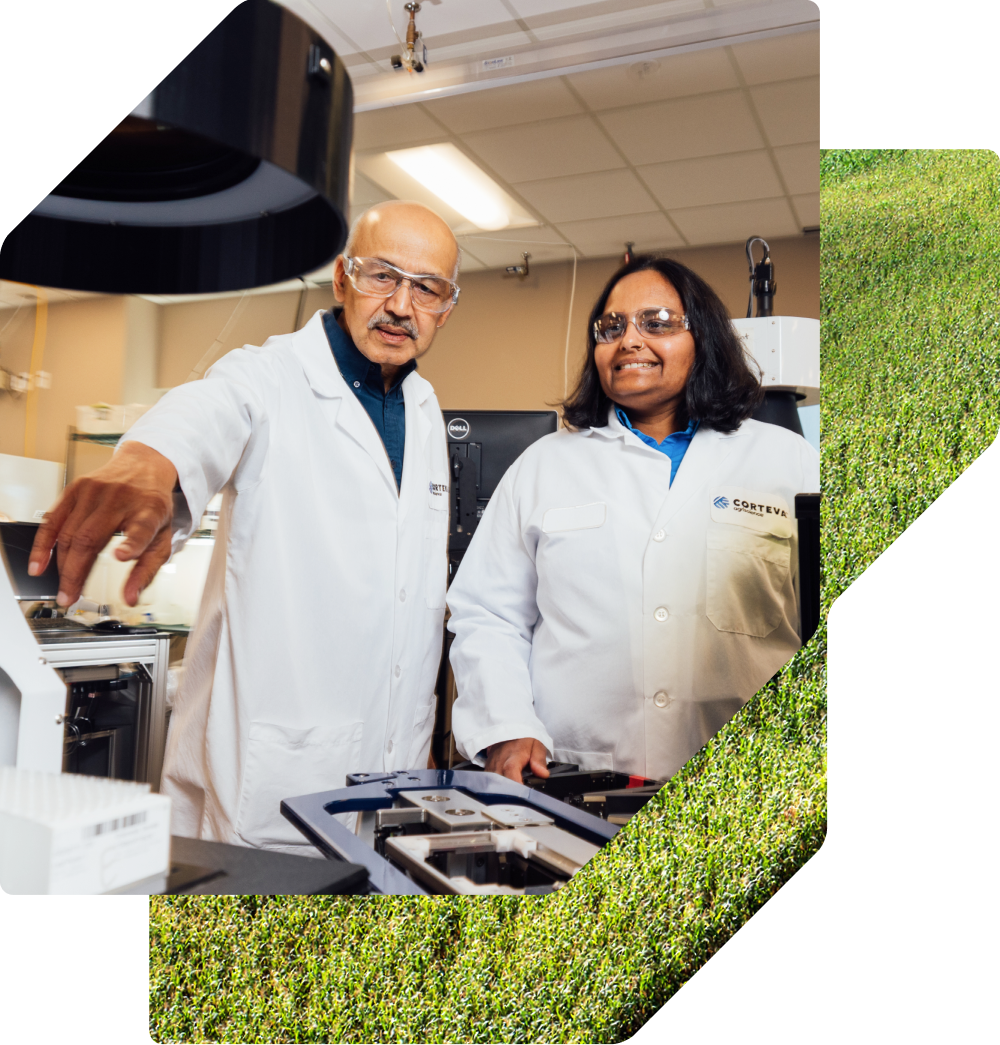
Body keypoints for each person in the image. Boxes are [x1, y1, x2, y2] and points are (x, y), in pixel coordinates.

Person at [29, 201, 460, 852]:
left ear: (446, 308)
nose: (401, 305)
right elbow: (209, 411)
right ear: (342, 278)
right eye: (382, 276)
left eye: (426, 288)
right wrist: (151, 459)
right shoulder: (271, 376)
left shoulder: (424, 410)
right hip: (272, 774)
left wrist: (416, 737)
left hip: (393, 775)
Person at [446, 254, 820, 784]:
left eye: (657, 323)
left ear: (704, 339)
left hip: (749, 780)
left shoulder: (788, 459)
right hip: (576, 775)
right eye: (612, 327)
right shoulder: (544, 465)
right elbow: (488, 614)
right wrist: (505, 725)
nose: (629, 341)